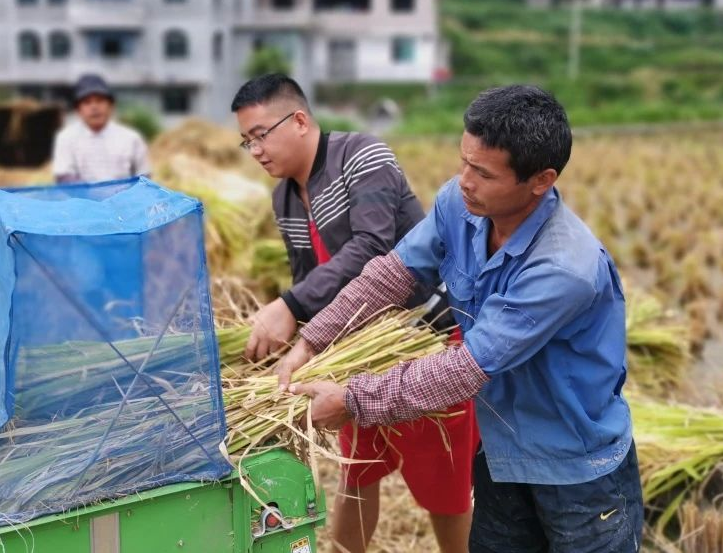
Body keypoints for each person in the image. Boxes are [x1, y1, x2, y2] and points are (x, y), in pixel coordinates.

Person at [277, 85, 644, 553]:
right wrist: (312, 340)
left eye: (484, 173)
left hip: (577, 472)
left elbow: (462, 370)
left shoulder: (563, 268)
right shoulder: (460, 204)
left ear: (541, 180)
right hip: (502, 452)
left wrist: (352, 400)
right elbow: (392, 274)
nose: (465, 180)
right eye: (464, 162)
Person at [231, 75, 477, 553]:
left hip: (421, 343)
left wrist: (289, 305)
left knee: (444, 489)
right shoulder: (285, 197)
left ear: (299, 120)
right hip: (355, 357)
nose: (255, 150)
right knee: (357, 473)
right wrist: (292, 344)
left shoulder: (362, 157)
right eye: (246, 141)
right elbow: (309, 279)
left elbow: (374, 248)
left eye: (260, 134)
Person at [52, 74, 150, 184]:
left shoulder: (132, 139)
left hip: (124, 195)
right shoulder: (66, 138)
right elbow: (64, 177)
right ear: (78, 110)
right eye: (87, 102)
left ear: (111, 106)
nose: (94, 107)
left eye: (99, 101)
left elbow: (144, 179)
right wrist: (94, 191)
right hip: (81, 195)